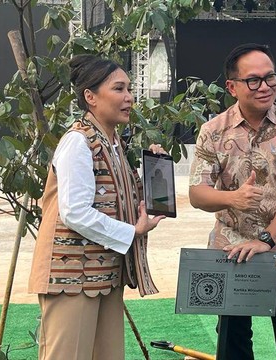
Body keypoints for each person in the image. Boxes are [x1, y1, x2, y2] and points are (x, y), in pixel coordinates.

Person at [28, 55, 166, 360]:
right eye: (118, 89)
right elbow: (74, 211)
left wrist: (157, 170)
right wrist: (131, 231)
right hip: (70, 279)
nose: (129, 97)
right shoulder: (78, 142)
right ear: (90, 97)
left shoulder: (112, 142)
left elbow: (121, 198)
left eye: (129, 89)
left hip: (104, 275)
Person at [189, 43, 276, 359]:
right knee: (232, 346)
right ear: (232, 86)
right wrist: (233, 198)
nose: (265, 86)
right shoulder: (212, 131)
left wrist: (267, 239)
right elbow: (197, 194)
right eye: (254, 80)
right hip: (231, 254)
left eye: (270, 77)